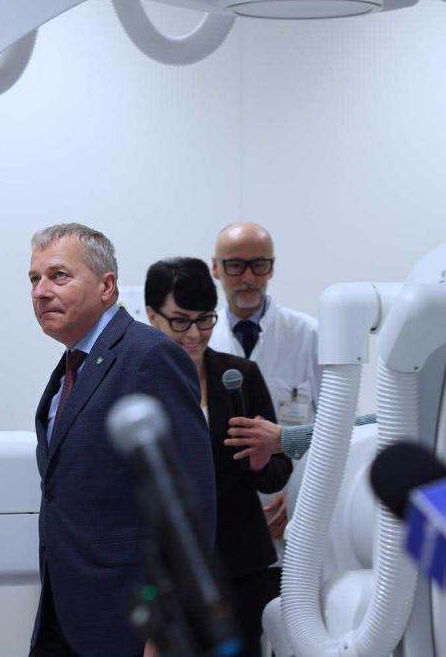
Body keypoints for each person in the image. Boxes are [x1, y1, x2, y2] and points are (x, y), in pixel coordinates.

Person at [28, 223, 216, 657]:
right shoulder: (73, 366)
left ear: (107, 286)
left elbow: (189, 504)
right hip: (67, 612)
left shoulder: (149, 357)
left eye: (58, 276)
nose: (41, 291)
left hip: (128, 623)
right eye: (34, 279)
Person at [145, 257, 292, 657]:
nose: (195, 334)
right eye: (180, 321)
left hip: (239, 563)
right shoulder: (138, 382)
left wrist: (262, 460)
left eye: (205, 320)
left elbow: (276, 473)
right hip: (167, 568)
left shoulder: (240, 376)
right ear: (152, 315)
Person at [209, 221, 321, 602]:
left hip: (294, 514)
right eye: (235, 266)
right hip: (227, 527)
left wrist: (304, 495)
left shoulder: (308, 335)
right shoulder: (202, 343)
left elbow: (339, 427)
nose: (248, 278)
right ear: (216, 268)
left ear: (272, 267)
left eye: (259, 265)